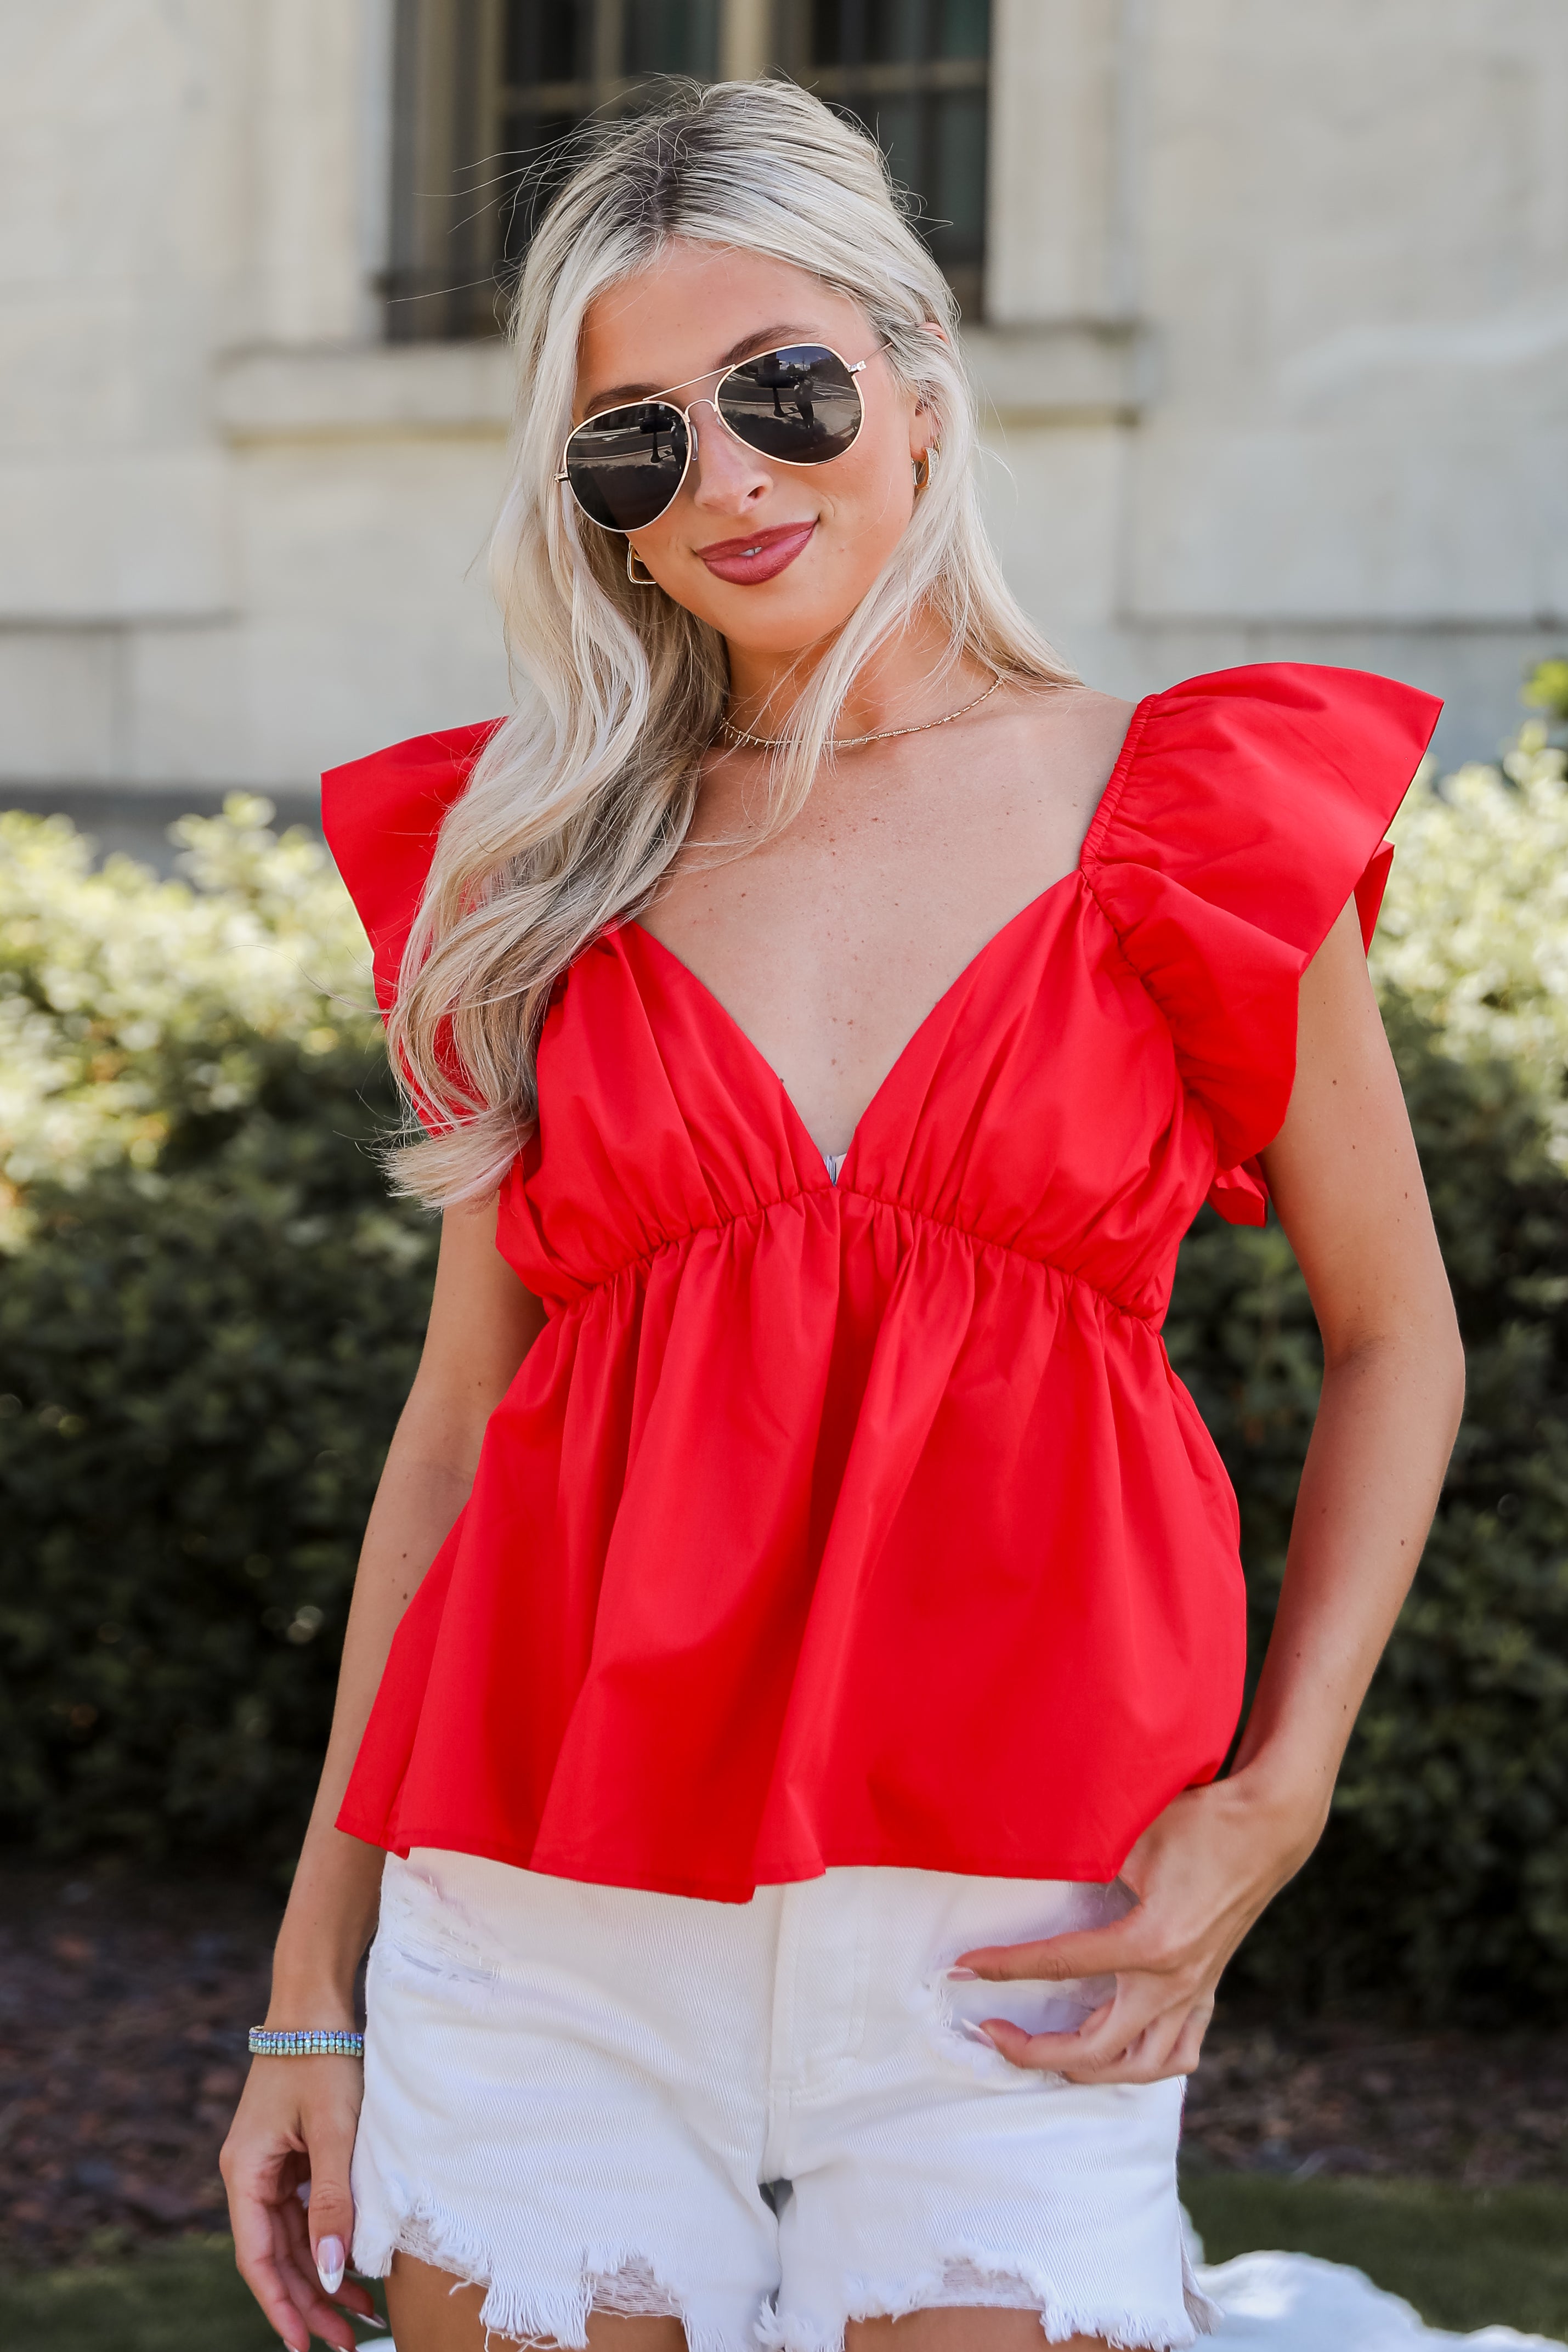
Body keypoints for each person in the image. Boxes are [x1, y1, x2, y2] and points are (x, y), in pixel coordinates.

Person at [220, 78, 1463, 2352]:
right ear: (591, 511)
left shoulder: (1181, 814)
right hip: (536, 1914)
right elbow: (450, 1440)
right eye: (635, 442)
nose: (728, 479)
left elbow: (1399, 1332)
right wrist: (317, 1983)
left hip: (1012, 1917)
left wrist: (1275, 1799)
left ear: (912, 378)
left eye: (779, 388)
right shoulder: (536, 873)